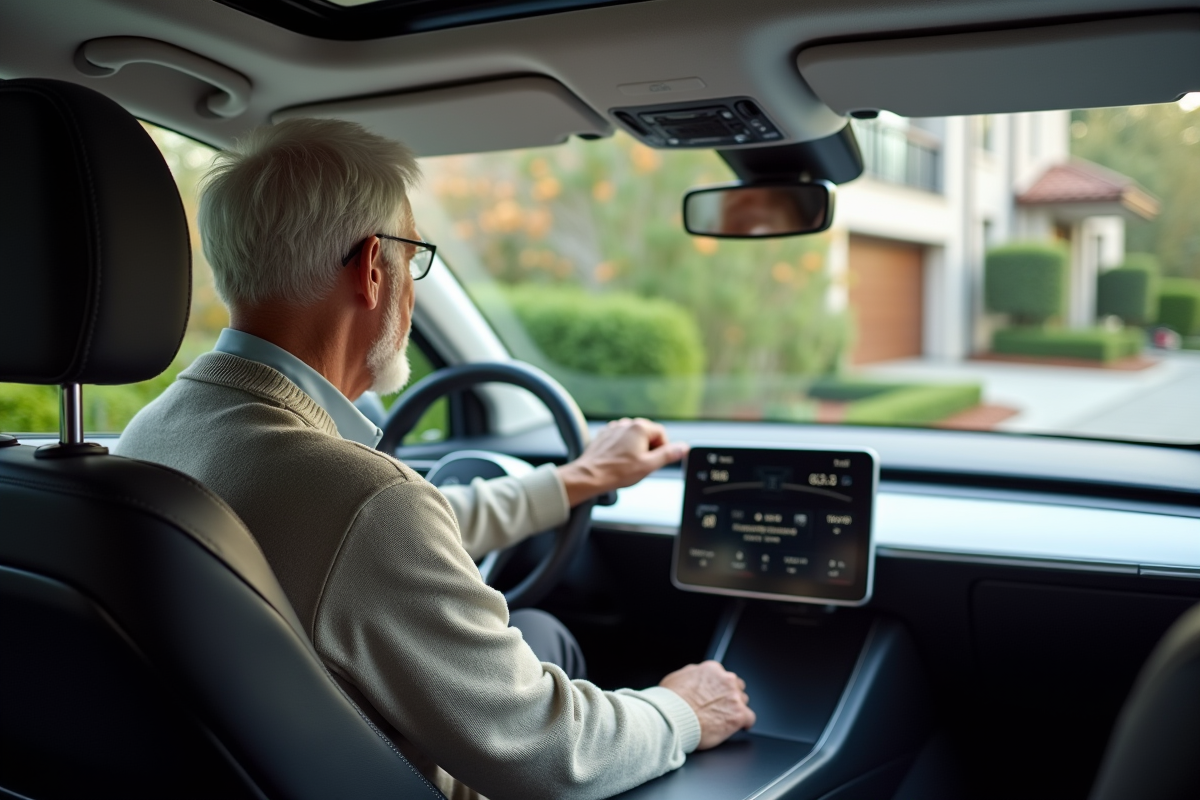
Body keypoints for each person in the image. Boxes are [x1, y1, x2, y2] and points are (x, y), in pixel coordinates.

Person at [116, 118, 755, 800]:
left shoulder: (153, 436)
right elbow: (553, 753)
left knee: (536, 631)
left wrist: (578, 479)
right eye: (413, 256)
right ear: (371, 269)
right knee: (553, 647)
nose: (411, 286)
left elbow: (354, 540)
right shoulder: (358, 499)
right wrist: (682, 709)